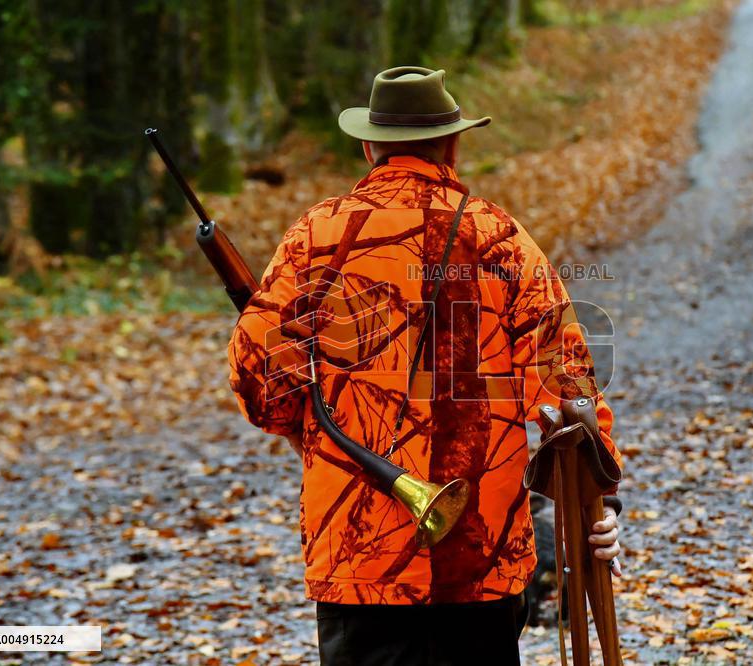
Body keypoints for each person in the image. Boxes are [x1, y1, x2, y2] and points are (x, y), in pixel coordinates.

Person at [227, 66, 623, 665]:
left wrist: (310, 427)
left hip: (358, 555)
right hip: (480, 557)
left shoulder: (316, 238)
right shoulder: (503, 241)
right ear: (454, 143)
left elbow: (259, 384)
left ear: (368, 146)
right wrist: (601, 499)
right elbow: (570, 393)